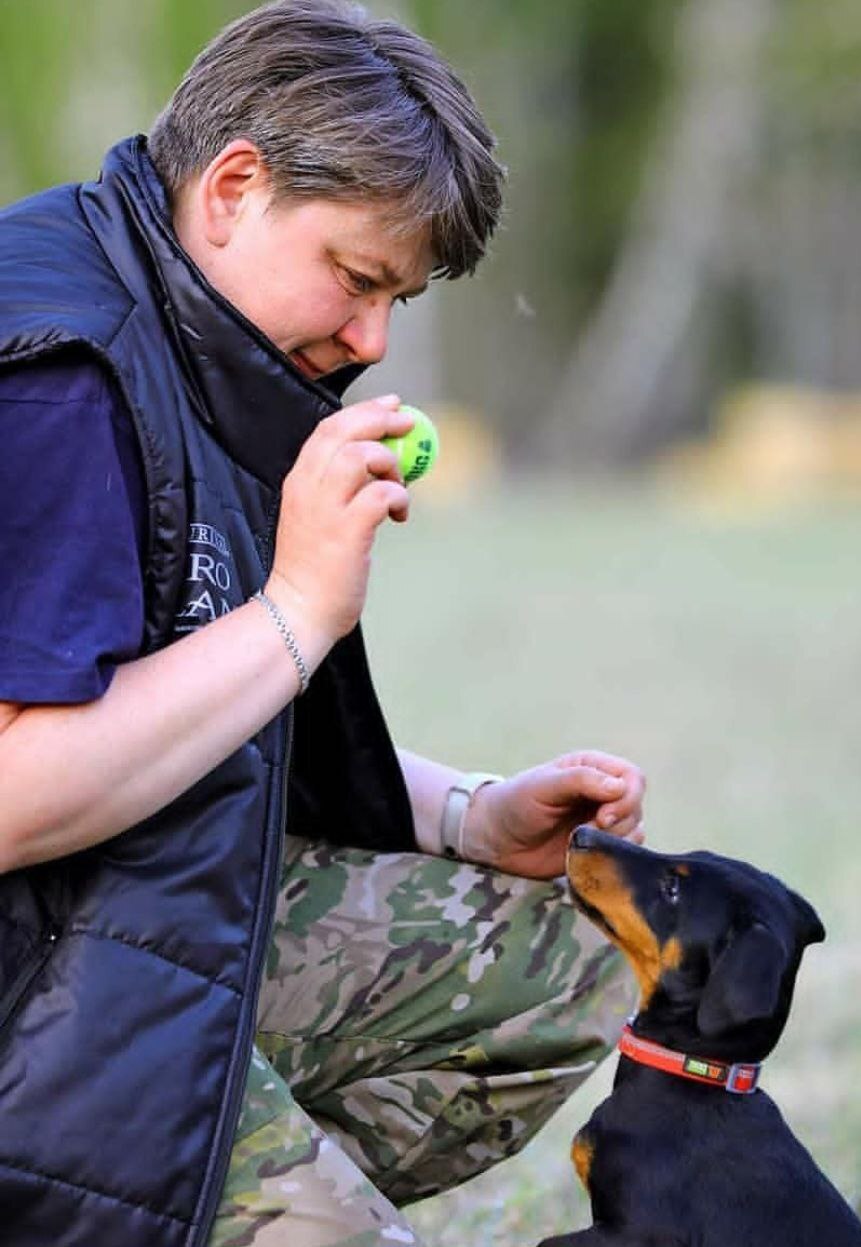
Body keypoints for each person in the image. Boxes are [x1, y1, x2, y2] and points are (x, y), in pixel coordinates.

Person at [0, 3, 644, 1245]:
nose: (372, 338)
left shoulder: (205, 343)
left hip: (94, 915)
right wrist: (294, 610)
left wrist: (469, 813)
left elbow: (180, 717)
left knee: (573, 942)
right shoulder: (60, 381)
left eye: (398, 299)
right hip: (34, 979)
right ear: (233, 187)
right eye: (357, 279)